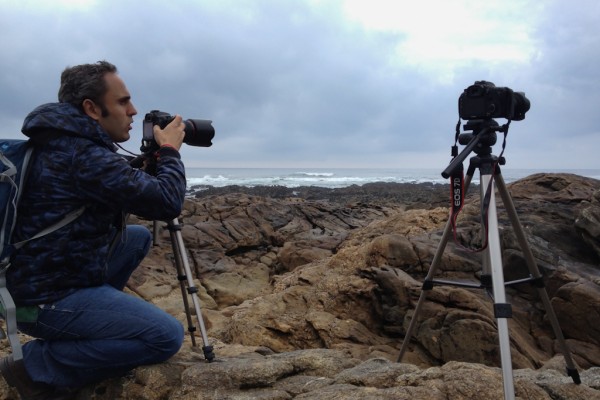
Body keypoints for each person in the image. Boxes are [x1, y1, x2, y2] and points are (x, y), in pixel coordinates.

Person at [0, 61, 187, 399]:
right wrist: (170, 152)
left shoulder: (66, 142)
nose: (133, 111)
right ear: (91, 108)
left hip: (41, 278)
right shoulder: (83, 155)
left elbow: (114, 182)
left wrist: (148, 164)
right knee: (164, 336)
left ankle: (95, 322)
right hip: (42, 300)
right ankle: (34, 365)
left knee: (137, 238)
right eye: (123, 102)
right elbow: (166, 202)